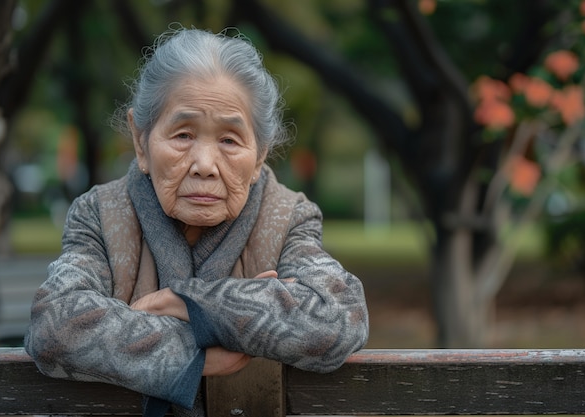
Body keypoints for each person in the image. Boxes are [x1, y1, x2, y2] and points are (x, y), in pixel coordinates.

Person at [24, 26, 369, 417]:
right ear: (141, 141)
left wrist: (187, 302)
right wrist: (195, 352)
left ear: (259, 157)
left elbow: (339, 318)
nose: (205, 165)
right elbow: (55, 327)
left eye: (229, 140)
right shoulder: (101, 215)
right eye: (183, 134)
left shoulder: (287, 216)